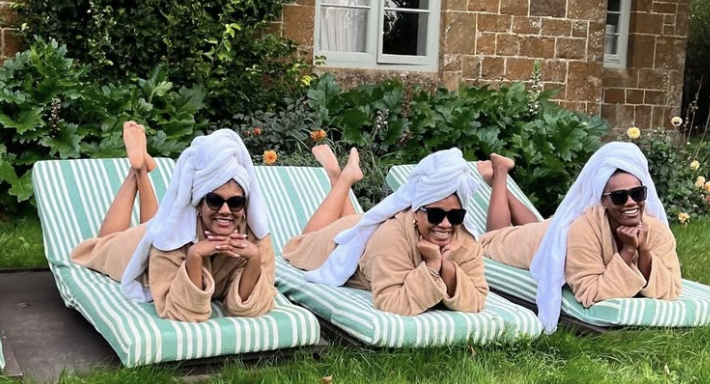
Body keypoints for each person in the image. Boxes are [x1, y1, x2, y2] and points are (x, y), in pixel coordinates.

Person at [71, 123, 276, 322]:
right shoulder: (173, 237)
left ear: (244, 206)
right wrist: (194, 256)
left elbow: (255, 303)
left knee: (156, 222)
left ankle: (141, 169)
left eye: (235, 202)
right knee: (101, 245)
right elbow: (179, 310)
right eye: (214, 201)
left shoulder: (255, 238)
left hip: (159, 227)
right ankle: (137, 172)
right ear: (198, 204)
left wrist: (254, 259)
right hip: (137, 247)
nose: (225, 211)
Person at [477, 142, 682, 333]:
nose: (630, 203)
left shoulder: (657, 232)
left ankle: (499, 179)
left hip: (551, 229)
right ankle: (500, 174)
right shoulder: (584, 231)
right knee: (494, 238)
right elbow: (590, 293)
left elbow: (671, 288)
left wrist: (643, 250)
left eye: (637, 193)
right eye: (619, 197)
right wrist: (628, 251)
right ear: (603, 201)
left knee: (540, 226)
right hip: (541, 241)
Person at [282, 144, 488, 316]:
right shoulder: (391, 238)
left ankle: (341, 179)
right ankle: (340, 178)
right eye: (435, 214)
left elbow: (478, 299)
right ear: (416, 212)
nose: (445, 224)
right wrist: (433, 266)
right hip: (336, 243)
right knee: (302, 241)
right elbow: (391, 302)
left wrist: (449, 269)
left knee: (357, 225)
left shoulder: (466, 239)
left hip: (365, 228)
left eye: (455, 216)